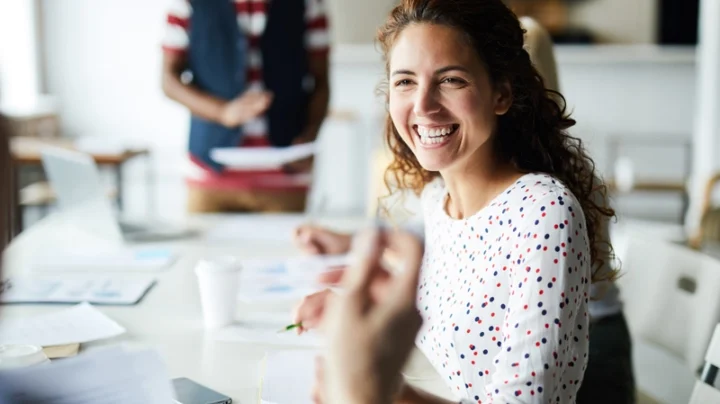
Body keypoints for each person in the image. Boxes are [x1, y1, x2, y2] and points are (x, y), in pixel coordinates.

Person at [294, 0, 618, 402]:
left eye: (451, 80)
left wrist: (381, 393)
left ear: (501, 94)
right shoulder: (437, 200)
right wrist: (348, 315)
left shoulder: (544, 213)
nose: (424, 105)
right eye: (405, 82)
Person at [161, 0, 331, 213]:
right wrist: (222, 112)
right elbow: (169, 80)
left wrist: (310, 135)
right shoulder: (186, 3)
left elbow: (321, 81)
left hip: (285, 178)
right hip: (209, 174)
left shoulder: (310, 4)